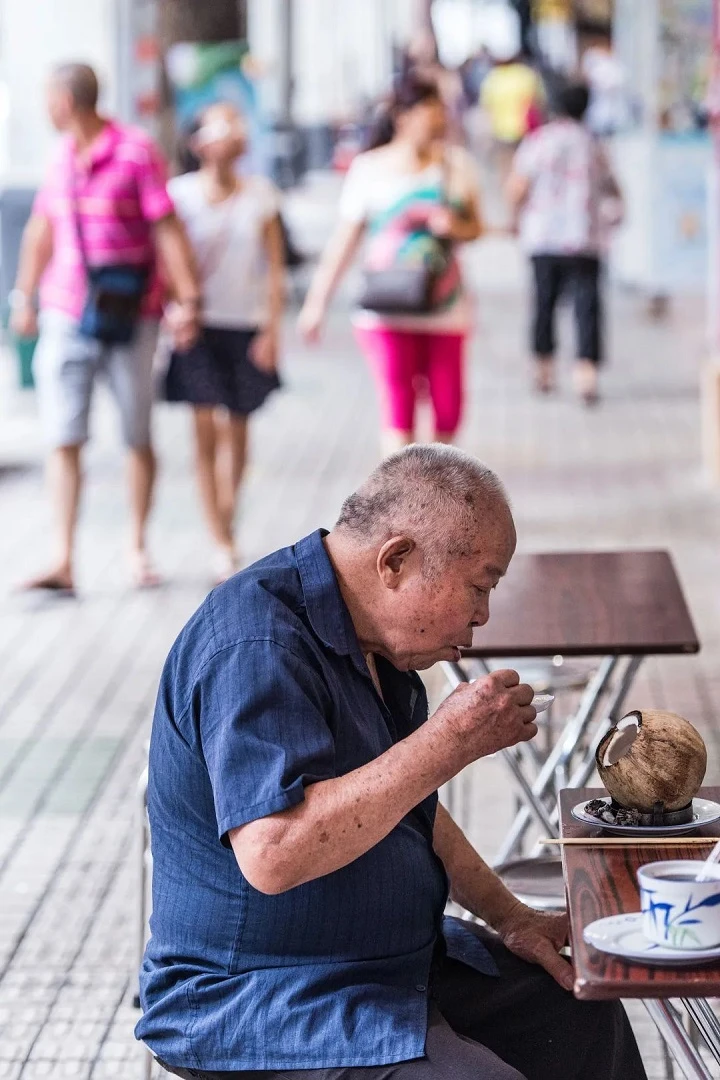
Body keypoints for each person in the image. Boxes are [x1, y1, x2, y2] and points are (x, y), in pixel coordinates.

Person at [135, 443, 647, 1080]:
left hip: (391, 963)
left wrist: (511, 917)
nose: (483, 615)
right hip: (264, 995)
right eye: (479, 586)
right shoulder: (258, 644)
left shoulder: (373, 639)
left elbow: (409, 808)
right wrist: (448, 742)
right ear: (397, 560)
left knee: (581, 1011)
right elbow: (274, 853)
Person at [10, 63, 201, 594]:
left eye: (48, 97)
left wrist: (187, 299)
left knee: (135, 434)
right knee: (62, 434)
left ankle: (136, 546)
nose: (45, 108)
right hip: (66, 311)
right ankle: (63, 557)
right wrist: (24, 297)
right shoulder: (59, 158)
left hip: (130, 314)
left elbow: (166, 228)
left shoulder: (135, 152)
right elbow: (40, 230)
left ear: (67, 101)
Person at [299, 77, 483, 455]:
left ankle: (434, 497)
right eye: (429, 113)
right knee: (398, 411)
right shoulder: (369, 168)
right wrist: (317, 304)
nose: (437, 122)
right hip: (384, 307)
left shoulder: (456, 166)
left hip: (444, 305)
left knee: (448, 411)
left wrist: (456, 226)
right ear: (402, 117)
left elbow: (476, 227)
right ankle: (402, 507)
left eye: (440, 114)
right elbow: (343, 242)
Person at [165, 103, 285, 582]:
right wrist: (177, 310)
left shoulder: (261, 195)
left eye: (236, 122)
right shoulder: (180, 195)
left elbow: (274, 269)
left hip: (246, 324)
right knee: (203, 431)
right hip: (198, 325)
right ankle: (219, 538)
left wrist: (273, 330)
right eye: (219, 124)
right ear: (198, 142)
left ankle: (228, 522)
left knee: (238, 429)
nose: (231, 130)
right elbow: (167, 260)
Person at [506, 81, 623, 404]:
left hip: (543, 236)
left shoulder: (539, 141)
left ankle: (543, 369)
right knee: (587, 307)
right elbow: (613, 187)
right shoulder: (593, 143)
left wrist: (514, 218)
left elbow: (518, 186)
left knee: (544, 303)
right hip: (585, 237)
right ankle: (586, 374)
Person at [480, 46, 544, 190]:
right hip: (526, 131)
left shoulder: (492, 79)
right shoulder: (526, 75)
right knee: (525, 170)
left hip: (501, 132)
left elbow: (487, 108)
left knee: (506, 169)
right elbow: (538, 102)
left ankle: (510, 199)